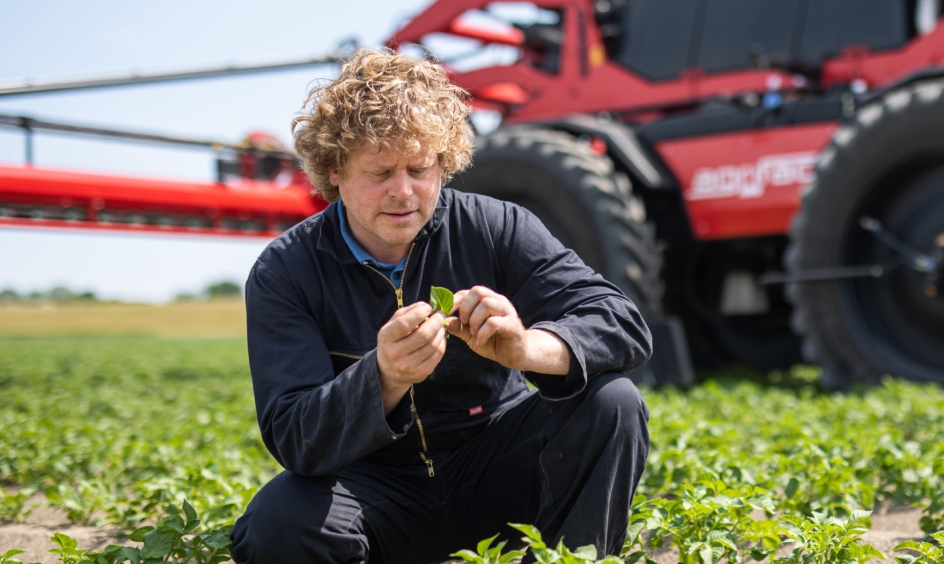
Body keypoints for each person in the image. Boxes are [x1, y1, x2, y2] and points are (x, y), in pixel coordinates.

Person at [229, 49, 652, 564]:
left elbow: (620, 321)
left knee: (614, 403)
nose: (403, 191)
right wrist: (382, 378)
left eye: (419, 167)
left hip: (497, 474)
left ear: (444, 161)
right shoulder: (286, 270)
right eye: (380, 172)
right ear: (334, 170)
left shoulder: (495, 227)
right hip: (375, 491)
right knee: (279, 520)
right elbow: (294, 436)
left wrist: (528, 347)